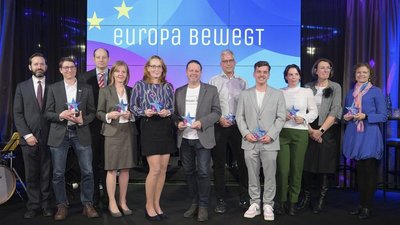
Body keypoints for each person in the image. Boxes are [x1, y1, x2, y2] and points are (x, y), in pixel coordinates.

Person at [45, 57, 99, 220]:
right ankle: (62, 205)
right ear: (60, 70)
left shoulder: (86, 88)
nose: (69, 70)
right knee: (58, 173)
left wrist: (84, 120)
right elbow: (47, 113)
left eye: (72, 67)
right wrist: (60, 115)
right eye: (66, 67)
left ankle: (87, 204)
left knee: (88, 171)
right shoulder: (53, 88)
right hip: (60, 133)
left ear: (76, 69)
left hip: (80, 132)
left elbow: (92, 112)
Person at [236, 61, 286, 221]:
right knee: (252, 175)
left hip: (270, 142)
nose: (262, 74)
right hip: (250, 142)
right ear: (254, 73)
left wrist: (271, 134)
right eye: (259, 71)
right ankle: (255, 203)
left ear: (269, 75)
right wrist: (245, 133)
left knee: (270, 175)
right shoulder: (245, 94)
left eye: (265, 72)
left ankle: (268, 205)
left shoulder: (277, 94)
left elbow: (281, 117)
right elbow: (239, 117)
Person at [130, 55, 176, 221]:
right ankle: (148, 205)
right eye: (153, 66)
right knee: (154, 169)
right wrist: (144, 112)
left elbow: (172, 107)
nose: (156, 69)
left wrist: (167, 112)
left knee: (163, 169)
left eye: (159, 66)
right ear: (147, 68)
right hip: (149, 127)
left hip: (165, 128)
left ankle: (157, 204)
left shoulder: (168, 87)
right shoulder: (139, 85)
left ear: (163, 69)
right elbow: (133, 107)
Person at [174, 60, 221, 222]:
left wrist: (202, 122)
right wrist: (177, 123)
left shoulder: (211, 90)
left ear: (201, 73)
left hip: (203, 138)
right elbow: (175, 115)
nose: (193, 73)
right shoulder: (179, 91)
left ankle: (203, 206)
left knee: (203, 172)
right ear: (186, 72)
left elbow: (217, 112)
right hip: (185, 139)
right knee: (188, 172)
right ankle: (194, 203)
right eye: (191, 70)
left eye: (197, 70)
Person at [342, 63, 386, 219]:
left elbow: (383, 116)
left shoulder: (376, 92)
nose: (361, 75)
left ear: (369, 75)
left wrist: (366, 116)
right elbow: (345, 114)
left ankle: (368, 207)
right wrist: (346, 117)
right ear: (355, 75)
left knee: (369, 171)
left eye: (364, 72)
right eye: (358, 72)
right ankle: (361, 205)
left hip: (370, 134)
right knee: (360, 172)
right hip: (355, 134)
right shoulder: (350, 93)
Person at [298, 58, 342, 214]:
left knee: (324, 166)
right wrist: (311, 131)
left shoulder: (335, 87)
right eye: (322, 68)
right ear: (315, 70)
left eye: (328, 68)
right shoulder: (307, 87)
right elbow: (301, 111)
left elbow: (335, 110)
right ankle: (307, 197)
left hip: (327, 131)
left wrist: (320, 132)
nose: (325, 70)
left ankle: (321, 199)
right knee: (307, 165)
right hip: (308, 129)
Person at [13, 53, 53, 218]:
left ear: (46, 67)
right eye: (35, 64)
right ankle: (33, 206)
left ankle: (46, 205)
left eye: (41, 64)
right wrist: (27, 135)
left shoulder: (54, 86)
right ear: (30, 67)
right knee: (31, 174)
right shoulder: (21, 87)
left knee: (47, 173)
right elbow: (17, 113)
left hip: (50, 138)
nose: (39, 67)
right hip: (28, 139)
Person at [209, 49, 249, 213]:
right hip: (219, 126)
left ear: (235, 62)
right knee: (219, 164)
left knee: (243, 163)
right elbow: (209, 105)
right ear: (221, 63)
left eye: (230, 60)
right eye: (225, 61)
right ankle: (220, 199)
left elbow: (246, 107)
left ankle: (244, 196)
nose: (228, 63)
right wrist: (219, 119)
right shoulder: (213, 81)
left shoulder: (243, 82)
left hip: (237, 128)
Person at [276, 64, 318, 216]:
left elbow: (314, 111)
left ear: (300, 76)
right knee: (282, 170)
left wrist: (304, 118)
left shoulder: (306, 92)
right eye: (290, 74)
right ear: (286, 77)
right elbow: (273, 112)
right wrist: (282, 114)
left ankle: (292, 202)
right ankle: (281, 201)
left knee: (296, 169)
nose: (293, 77)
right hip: (282, 133)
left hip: (300, 134)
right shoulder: (279, 92)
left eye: (295, 74)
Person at [96, 61, 137, 217]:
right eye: (118, 71)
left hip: (128, 132)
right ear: (112, 73)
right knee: (112, 169)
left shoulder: (131, 90)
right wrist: (108, 115)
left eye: (124, 72)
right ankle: (112, 202)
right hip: (112, 133)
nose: (121, 74)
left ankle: (123, 201)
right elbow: (99, 112)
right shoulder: (105, 91)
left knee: (125, 169)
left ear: (127, 75)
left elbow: (136, 111)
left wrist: (131, 115)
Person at [79, 48, 110, 206]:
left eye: (104, 57)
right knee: (93, 162)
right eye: (98, 57)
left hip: (111, 126)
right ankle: (95, 196)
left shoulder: (116, 75)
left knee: (108, 163)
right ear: (93, 58)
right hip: (91, 126)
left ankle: (109, 196)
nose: (101, 60)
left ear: (108, 59)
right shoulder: (84, 77)